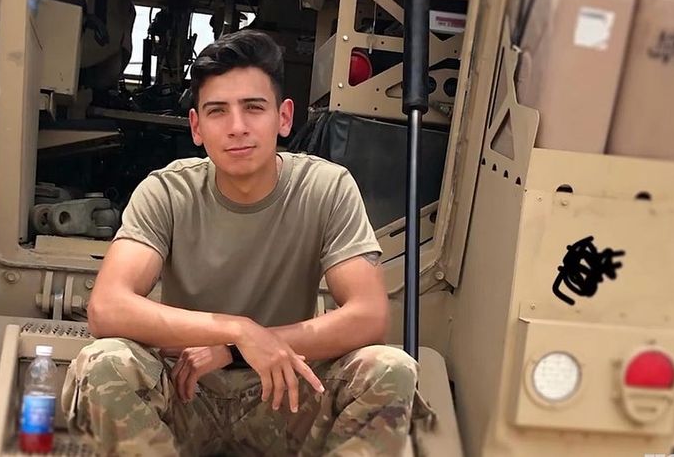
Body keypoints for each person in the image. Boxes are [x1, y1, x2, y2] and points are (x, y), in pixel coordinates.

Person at [60, 29, 431, 456]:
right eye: (217, 111)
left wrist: (235, 349)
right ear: (196, 127)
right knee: (103, 363)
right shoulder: (167, 191)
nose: (237, 127)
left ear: (284, 117)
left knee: (390, 369)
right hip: (187, 391)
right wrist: (238, 330)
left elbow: (369, 316)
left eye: (253, 108)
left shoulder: (326, 187)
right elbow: (107, 308)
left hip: (284, 393)